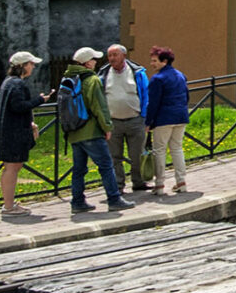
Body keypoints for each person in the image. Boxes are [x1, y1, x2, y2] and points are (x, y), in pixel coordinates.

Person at [64, 48, 133, 213]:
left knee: (79, 169)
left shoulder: (68, 78)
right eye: (94, 59)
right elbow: (99, 107)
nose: (96, 62)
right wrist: (107, 127)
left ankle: (77, 201)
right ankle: (114, 198)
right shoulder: (92, 80)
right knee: (106, 165)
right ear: (87, 63)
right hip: (91, 131)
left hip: (74, 132)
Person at [0, 51, 47, 217]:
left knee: (11, 167)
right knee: (12, 167)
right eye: (31, 64)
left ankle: (9, 204)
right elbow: (19, 106)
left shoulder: (9, 82)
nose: (33, 67)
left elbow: (12, 108)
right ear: (23, 66)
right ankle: (9, 207)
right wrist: (39, 100)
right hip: (14, 133)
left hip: (8, 131)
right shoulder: (18, 84)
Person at [99, 43, 151, 193]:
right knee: (115, 156)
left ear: (124, 56)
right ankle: (118, 185)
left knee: (137, 154)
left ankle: (138, 182)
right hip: (113, 122)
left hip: (135, 120)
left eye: (115, 55)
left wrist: (145, 117)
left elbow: (146, 95)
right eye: (109, 55)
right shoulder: (103, 74)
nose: (112, 58)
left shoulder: (137, 72)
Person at [144, 46, 190, 195]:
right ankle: (181, 182)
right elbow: (187, 96)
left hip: (164, 117)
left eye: (154, 61)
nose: (152, 64)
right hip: (181, 116)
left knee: (159, 150)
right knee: (177, 148)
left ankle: (159, 184)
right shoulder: (181, 75)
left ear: (164, 61)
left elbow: (153, 103)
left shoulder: (157, 79)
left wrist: (148, 122)